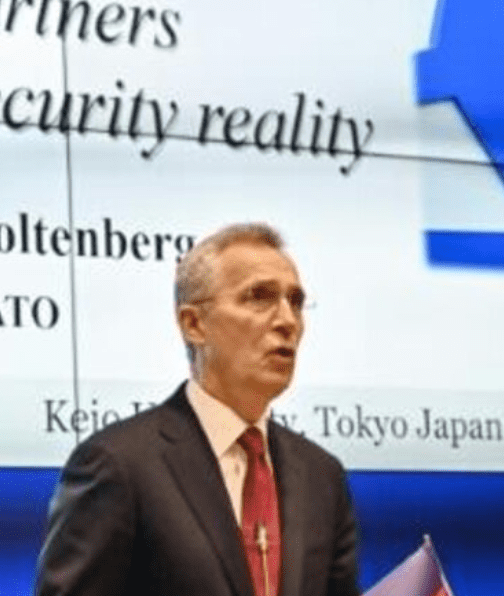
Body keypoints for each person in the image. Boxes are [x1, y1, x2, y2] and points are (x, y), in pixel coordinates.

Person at [33, 223, 359, 596]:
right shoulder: (119, 465)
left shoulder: (322, 476)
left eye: (296, 302)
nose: (287, 321)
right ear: (194, 324)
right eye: (259, 296)